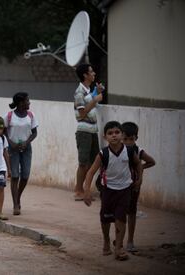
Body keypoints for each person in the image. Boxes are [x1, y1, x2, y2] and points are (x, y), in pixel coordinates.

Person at [84, 121, 142, 261]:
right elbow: (90, 172)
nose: (114, 135)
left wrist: (139, 180)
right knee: (105, 219)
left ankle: (119, 247)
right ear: (105, 137)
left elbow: (138, 163)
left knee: (121, 218)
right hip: (108, 190)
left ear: (122, 135)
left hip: (125, 190)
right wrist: (87, 191)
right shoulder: (103, 154)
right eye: (110, 133)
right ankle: (106, 241)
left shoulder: (129, 151)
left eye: (117, 132)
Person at [122, 122, 156, 253]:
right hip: (119, 186)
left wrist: (140, 168)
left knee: (131, 212)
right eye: (125, 139)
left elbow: (152, 162)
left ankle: (130, 240)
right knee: (119, 212)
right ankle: (119, 239)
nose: (128, 142)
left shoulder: (138, 150)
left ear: (136, 138)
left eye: (131, 139)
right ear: (121, 137)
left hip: (134, 185)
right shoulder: (116, 150)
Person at [4, 92, 38, 215]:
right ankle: (15, 204)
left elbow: (34, 133)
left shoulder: (31, 115)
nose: (29, 103)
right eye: (27, 101)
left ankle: (18, 197)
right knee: (14, 176)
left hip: (26, 148)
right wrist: (11, 142)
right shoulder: (9, 116)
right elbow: (4, 131)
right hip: (13, 148)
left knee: (25, 175)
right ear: (20, 102)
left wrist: (27, 142)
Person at [73, 64, 104, 201]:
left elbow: (89, 102)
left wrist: (95, 92)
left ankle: (84, 189)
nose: (94, 73)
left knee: (94, 162)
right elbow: (82, 112)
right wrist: (96, 99)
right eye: (91, 71)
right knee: (83, 163)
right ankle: (79, 191)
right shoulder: (79, 92)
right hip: (84, 131)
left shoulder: (87, 91)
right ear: (85, 75)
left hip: (92, 130)